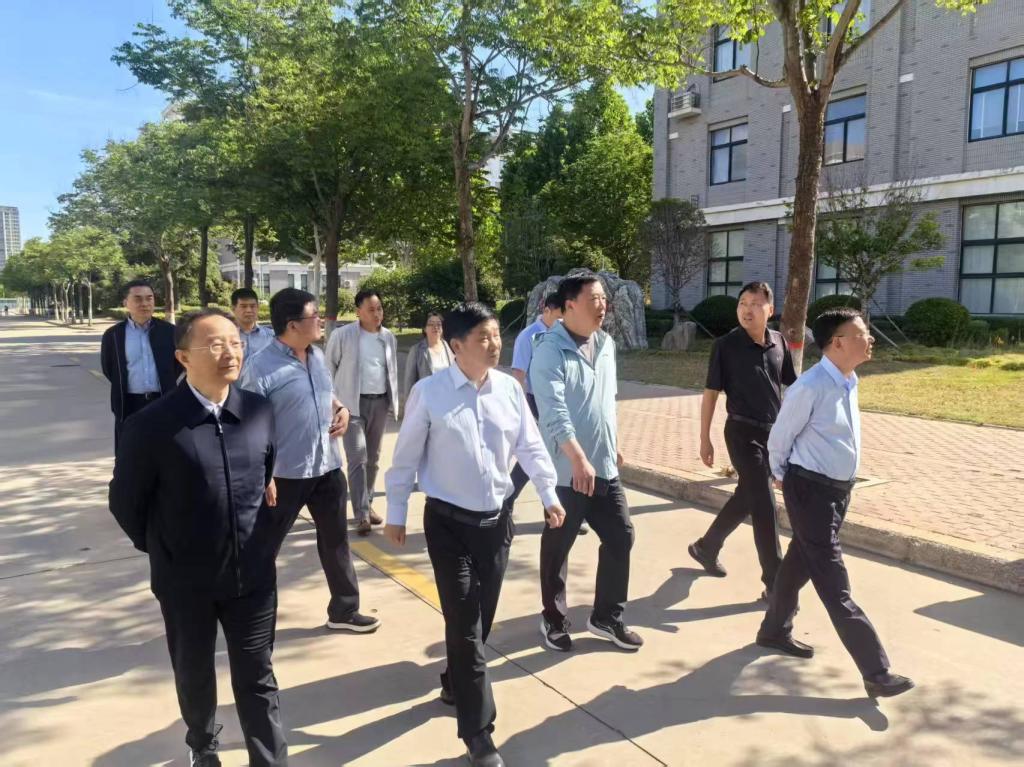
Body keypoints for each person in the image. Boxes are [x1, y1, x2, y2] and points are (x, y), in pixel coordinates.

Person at [384, 302, 565, 767]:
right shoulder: (430, 393)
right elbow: (405, 457)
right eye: (483, 337)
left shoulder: (509, 389)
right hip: (448, 526)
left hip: (496, 524)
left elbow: (530, 446)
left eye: (496, 335)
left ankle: (455, 680)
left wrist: (549, 494)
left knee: (480, 622)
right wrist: (397, 511)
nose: (494, 344)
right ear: (456, 345)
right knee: (465, 627)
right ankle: (479, 734)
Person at [109, 308, 287, 766]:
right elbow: (126, 503)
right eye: (215, 344)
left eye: (235, 342)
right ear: (184, 357)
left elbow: (265, 472)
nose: (230, 352)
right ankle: (203, 747)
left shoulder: (258, 410)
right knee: (194, 672)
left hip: (253, 574)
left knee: (258, 675)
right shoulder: (151, 425)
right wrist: (166, 548)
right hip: (185, 581)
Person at [757, 308, 914, 699]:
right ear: (838, 343)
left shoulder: (848, 380)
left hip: (836, 492)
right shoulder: (810, 386)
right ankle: (876, 672)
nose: (870, 339)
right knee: (834, 584)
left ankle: (773, 630)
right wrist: (782, 476)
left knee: (797, 564)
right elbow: (779, 439)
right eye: (862, 333)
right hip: (810, 492)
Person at [240, 288, 379, 633]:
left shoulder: (315, 356)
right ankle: (250, 615)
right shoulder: (259, 368)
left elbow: (326, 393)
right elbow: (247, 427)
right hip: (284, 475)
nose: (321, 321)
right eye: (314, 315)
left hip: (327, 467)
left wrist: (341, 409)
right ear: (292, 324)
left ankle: (344, 611)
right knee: (263, 548)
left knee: (336, 542)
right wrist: (263, 474)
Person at [531, 275, 642, 653]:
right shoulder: (549, 350)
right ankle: (553, 617)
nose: (602, 305)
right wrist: (577, 458)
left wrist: (613, 445)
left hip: (604, 466)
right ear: (569, 306)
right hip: (567, 473)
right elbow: (554, 413)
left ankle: (606, 616)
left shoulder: (606, 344)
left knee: (621, 536)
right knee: (558, 546)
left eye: (604, 298)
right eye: (594, 298)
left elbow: (606, 401)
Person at [687, 282, 796, 598]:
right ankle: (775, 585)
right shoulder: (725, 345)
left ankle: (706, 547)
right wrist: (704, 438)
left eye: (755, 304)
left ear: (770, 310)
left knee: (747, 496)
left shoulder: (779, 342)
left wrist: (795, 434)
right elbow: (710, 393)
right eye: (743, 303)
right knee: (764, 503)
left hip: (772, 435)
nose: (747, 310)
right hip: (741, 433)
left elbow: (791, 388)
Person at [505, 294, 589, 532]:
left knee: (556, 457)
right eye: (560, 317)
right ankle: (510, 501)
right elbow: (519, 375)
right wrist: (522, 411)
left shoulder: (564, 336)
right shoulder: (528, 337)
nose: (563, 322)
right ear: (547, 310)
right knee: (539, 456)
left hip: (559, 402)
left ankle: (558, 510)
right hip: (535, 403)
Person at [325, 289, 399, 536]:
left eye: (379, 309)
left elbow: (391, 372)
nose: (377, 314)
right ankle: (362, 514)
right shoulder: (342, 335)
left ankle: (367, 503)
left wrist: (394, 402)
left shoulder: (388, 337)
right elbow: (328, 370)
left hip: (379, 403)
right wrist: (334, 404)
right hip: (351, 406)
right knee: (358, 458)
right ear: (358, 312)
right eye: (371, 309)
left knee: (374, 458)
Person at [99, 279, 180, 447]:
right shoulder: (114, 335)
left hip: (164, 400)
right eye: (138, 299)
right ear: (125, 303)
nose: (144, 303)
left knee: (167, 450)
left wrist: (168, 381)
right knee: (131, 451)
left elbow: (179, 364)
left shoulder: (170, 332)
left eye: (149, 298)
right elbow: (109, 368)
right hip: (130, 404)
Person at [402, 312, 453, 404]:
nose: (435, 327)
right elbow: (409, 383)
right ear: (425, 329)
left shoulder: (449, 347)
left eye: (438, 324)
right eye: (431, 324)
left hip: (447, 401)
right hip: (425, 403)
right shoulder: (416, 350)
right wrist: (409, 406)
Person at [231, 287, 275, 367]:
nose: (249, 310)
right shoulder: (226, 337)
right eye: (243, 306)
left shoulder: (271, 337)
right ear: (233, 309)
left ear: (258, 307)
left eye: (252, 306)